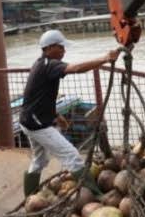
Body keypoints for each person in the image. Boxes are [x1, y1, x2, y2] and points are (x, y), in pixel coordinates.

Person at [20, 29, 120, 196]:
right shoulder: (49, 65)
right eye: (61, 48)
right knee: (72, 155)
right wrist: (104, 58)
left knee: (40, 160)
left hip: (29, 120)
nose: (64, 51)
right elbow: (77, 68)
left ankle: (29, 197)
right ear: (50, 47)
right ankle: (96, 196)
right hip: (37, 124)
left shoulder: (41, 64)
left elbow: (39, 97)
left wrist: (56, 116)